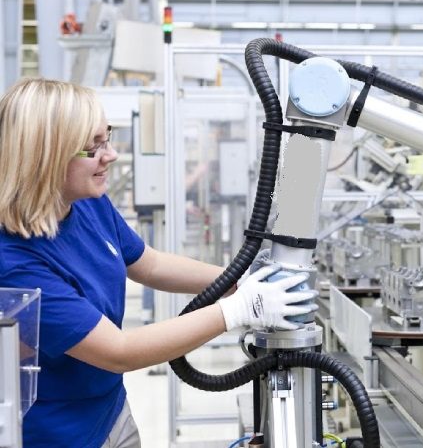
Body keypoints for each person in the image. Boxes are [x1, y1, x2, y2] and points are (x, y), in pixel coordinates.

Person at [0, 78, 317, 448]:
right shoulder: (14, 260)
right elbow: (118, 351)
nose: (111, 154)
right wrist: (237, 310)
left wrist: (240, 280)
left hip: (110, 409)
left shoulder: (86, 202)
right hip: (60, 433)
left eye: (108, 136)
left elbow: (148, 264)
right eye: (93, 147)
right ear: (46, 157)